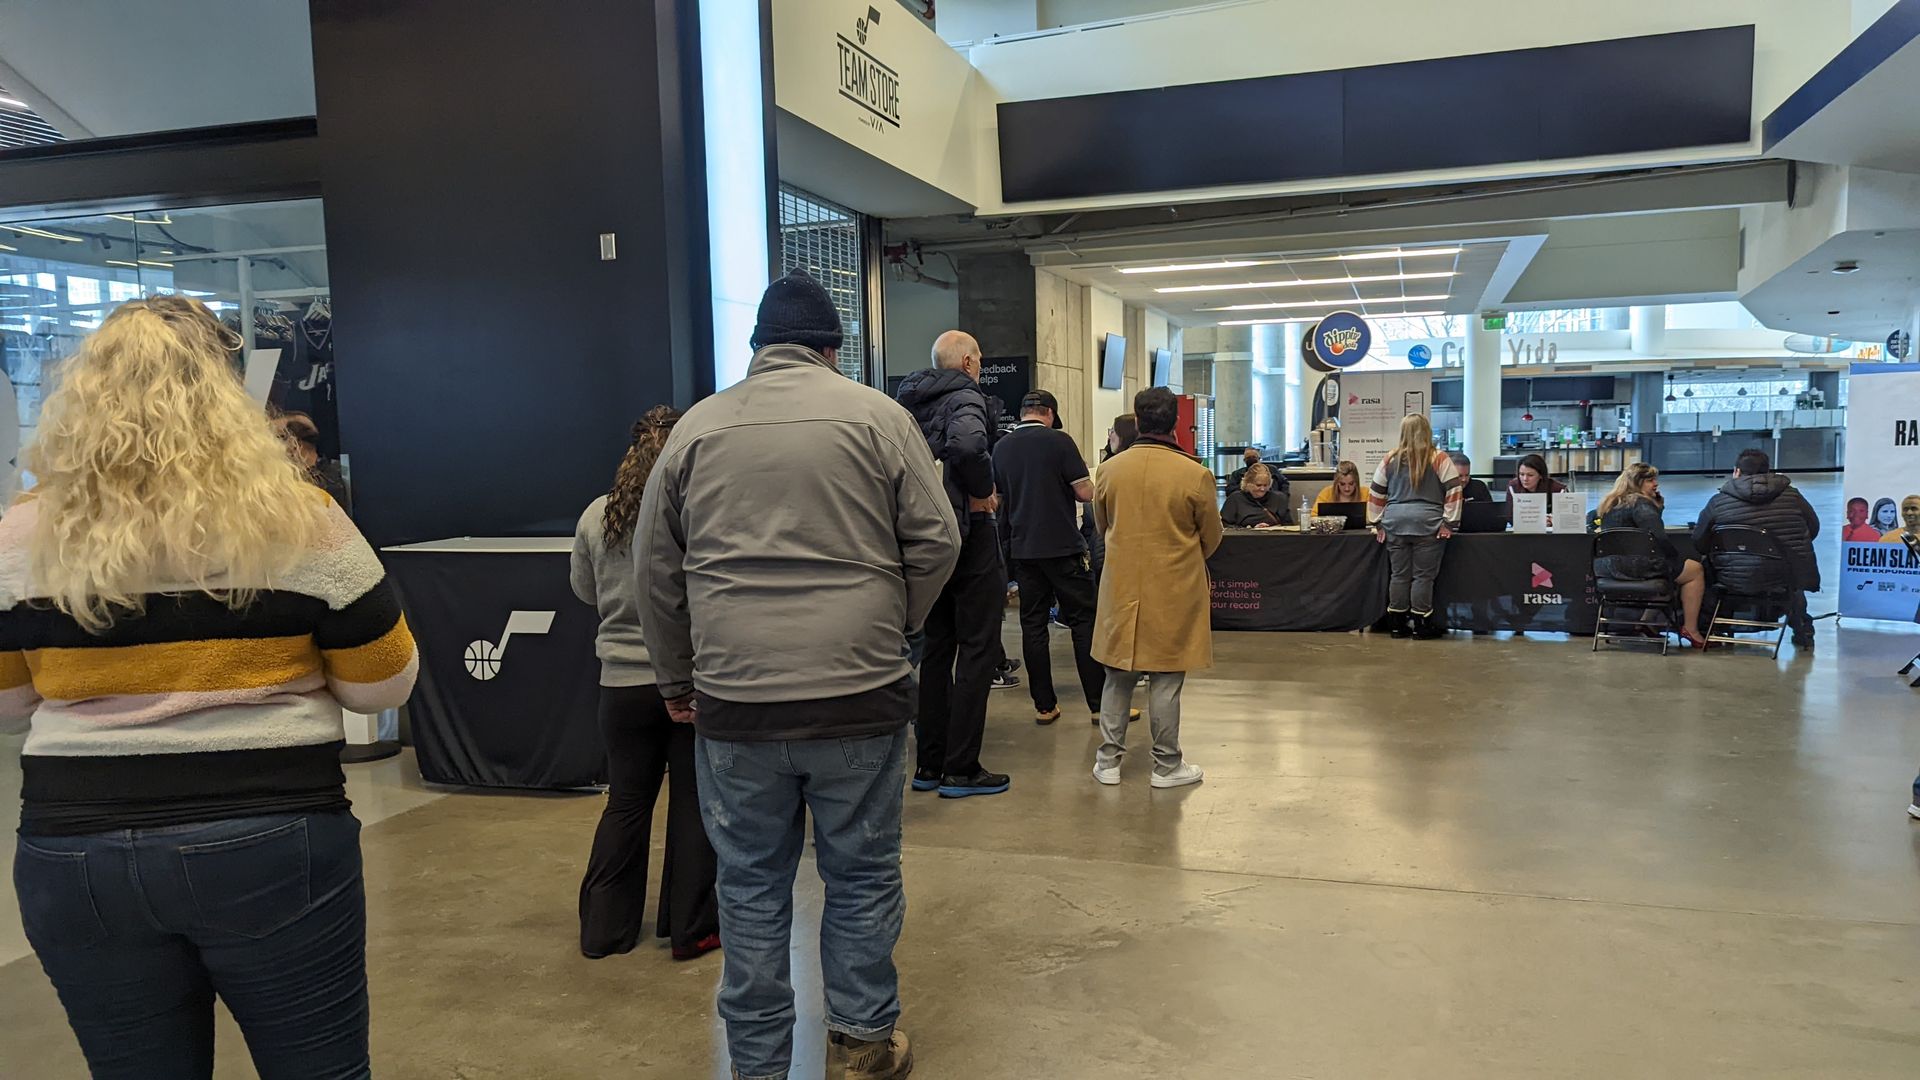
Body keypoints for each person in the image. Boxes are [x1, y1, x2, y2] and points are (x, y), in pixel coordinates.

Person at [1, 296, 418, 1076]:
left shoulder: (21, 535)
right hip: (270, 835)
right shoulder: (304, 519)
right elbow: (382, 683)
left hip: (75, 846)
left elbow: (7, 702)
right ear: (226, 393)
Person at [636, 270, 957, 1080]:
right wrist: (899, 624)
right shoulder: (879, 418)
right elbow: (938, 540)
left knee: (748, 886)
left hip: (737, 702)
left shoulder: (697, 429)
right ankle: (861, 1045)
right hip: (860, 693)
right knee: (860, 872)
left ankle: (758, 1064)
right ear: (833, 348)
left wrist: (679, 679)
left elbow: (654, 570)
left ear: (755, 349)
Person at [571, 406, 719, 962]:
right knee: (690, 802)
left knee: (626, 803)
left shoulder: (595, 514)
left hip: (621, 686)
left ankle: (604, 932)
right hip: (686, 680)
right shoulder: (694, 510)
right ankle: (690, 930)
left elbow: (584, 590)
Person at [895, 330, 1011, 799]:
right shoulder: (967, 396)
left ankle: (929, 763)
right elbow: (967, 447)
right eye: (979, 360)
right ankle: (962, 769)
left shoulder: (908, 401)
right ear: (967, 363)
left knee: (937, 650)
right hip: (971, 533)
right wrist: (983, 492)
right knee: (979, 648)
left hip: (926, 536)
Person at [1089, 386, 1221, 789]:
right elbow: (1212, 537)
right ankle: (1166, 766)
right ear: (1175, 422)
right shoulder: (1196, 474)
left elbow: (1101, 524)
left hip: (1121, 585)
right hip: (1175, 588)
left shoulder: (1110, 470)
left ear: (1137, 418)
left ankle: (1108, 762)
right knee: (1166, 678)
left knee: (1118, 675)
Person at [993, 389, 1109, 726]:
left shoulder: (1001, 448)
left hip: (1024, 549)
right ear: (1050, 413)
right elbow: (1084, 492)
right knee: (1083, 622)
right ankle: (1098, 705)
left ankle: (1044, 706)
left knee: (1032, 626)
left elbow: (997, 499)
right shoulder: (1059, 442)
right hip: (1063, 547)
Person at [1692, 449, 1822, 649]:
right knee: (1792, 573)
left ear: (1736, 472)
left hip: (1731, 577)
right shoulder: (1792, 496)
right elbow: (1813, 527)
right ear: (1769, 471)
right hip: (1780, 577)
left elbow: (1700, 542)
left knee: (1706, 569)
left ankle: (1711, 628)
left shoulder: (1719, 501)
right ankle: (1802, 629)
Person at [1367, 414, 1464, 640]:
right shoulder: (1438, 458)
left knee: (1399, 575)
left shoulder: (1389, 459)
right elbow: (1454, 490)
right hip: (1428, 525)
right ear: (1427, 431)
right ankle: (1422, 626)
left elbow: (1376, 491)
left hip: (1395, 524)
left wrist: (1377, 523)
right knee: (1423, 577)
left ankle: (1397, 626)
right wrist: (1449, 523)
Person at [1597, 463, 1708, 649]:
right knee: (1694, 570)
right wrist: (1674, 559)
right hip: (1637, 567)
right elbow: (1659, 538)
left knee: (1668, 572)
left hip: (1609, 568)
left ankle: (1647, 622)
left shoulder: (1610, 503)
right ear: (1637, 482)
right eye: (1650, 480)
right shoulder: (1641, 504)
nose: (1655, 484)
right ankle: (1691, 629)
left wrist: (1658, 509)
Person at [270, 407, 352, 511]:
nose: (269, 445)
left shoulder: (324, 487)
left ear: (294, 443)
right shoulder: (328, 479)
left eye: (277, 437)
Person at [1220, 463, 1292, 528]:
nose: (1262, 489)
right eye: (1258, 485)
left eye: (1265, 485)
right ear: (1248, 483)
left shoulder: (1279, 498)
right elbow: (1224, 525)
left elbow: (1288, 525)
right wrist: (1249, 530)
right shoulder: (1235, 499)